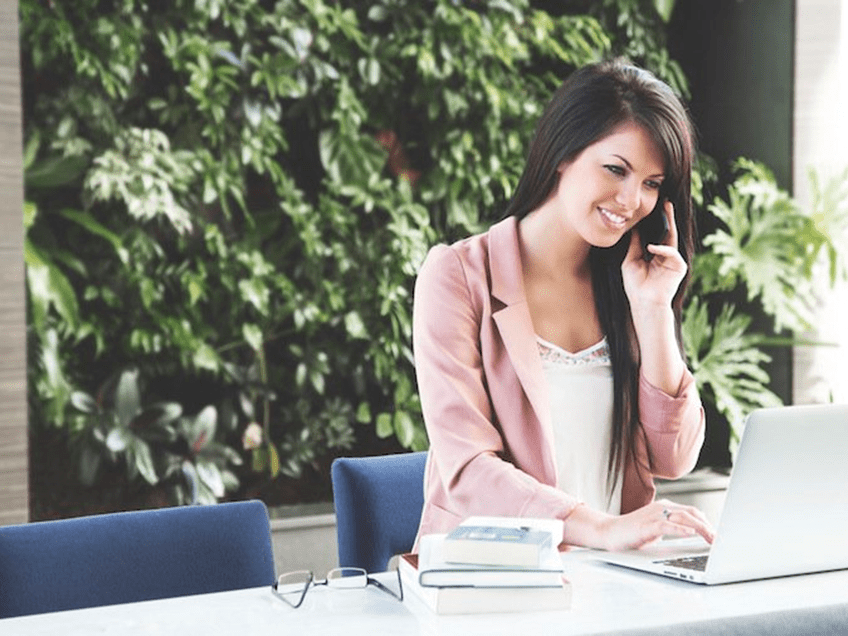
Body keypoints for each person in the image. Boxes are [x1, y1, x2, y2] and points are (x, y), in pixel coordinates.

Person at [412, 59, 715, 552]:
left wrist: (654, 312)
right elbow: (467, 469)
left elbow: (675, 458)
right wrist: (599, 528)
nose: (631, 199)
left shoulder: (630, 283)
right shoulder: (459, 276)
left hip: (616, 583)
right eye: (616, 169)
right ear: (562, 154)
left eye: (652, 183)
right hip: (493, 579)